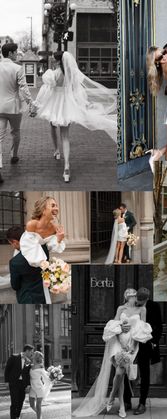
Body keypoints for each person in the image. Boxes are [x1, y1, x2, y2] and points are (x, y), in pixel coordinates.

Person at [34, 51, 117, 182]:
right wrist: (84, 103)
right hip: (67, 103)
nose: (53, 61)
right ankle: (66, 167)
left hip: (55, 103)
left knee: (52, 124)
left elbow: (47, 90)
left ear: (58, 61)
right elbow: (78, 91)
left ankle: (56, 151)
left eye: (55, 59)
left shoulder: (53, 74)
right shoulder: (72, 74)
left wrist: (38, 103)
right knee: (65, 136)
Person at [72, 289, 152, 418]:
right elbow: (112, 326)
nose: (132, 298)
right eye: (130, 296)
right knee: (120, 372)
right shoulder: (121, 308)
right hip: (118, 343)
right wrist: (120, 329)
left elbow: (141, 331)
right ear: (126, 297)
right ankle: (113, 400)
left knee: (121, 374)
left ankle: (117, 402)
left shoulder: (142, 310)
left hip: (131, 345)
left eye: (134, 295)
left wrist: (133, 347)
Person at [0, 43, 36, 183]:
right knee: (16, 132)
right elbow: (24, 88)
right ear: (10, 53)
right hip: (14, 107)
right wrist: (31, 103)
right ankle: (14, 155)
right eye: (15, 52)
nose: (17, 54)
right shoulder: (17, 68)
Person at [124, 287, 163, 415]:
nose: (138, 302)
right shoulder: (131, 304)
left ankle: (142, 403)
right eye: (137, 299)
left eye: (141, 300)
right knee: (126, 372)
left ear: (147, 298)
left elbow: (159, 326)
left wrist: (153, 342)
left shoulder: (154, 306)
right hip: (130, 344)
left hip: (145, 344)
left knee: (144, 374)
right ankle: (127, 401)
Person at [19, 196, 66, 303]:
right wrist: (44, 265)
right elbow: (28, 246)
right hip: (28, 259)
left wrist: (59, 239)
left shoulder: (54, 227)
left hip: (43, 262)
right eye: (52, 205)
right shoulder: (32, 224)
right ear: (43, 210)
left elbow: (52, 247)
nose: (56, 208)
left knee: (45, 289)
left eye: (56, 205)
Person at [7, 226, 47, 304]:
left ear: (15, 242)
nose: (12, 247)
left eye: (11, 244)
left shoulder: (15, 262)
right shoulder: (42, 249)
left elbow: (15, 286)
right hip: (43, 295)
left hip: (27, 298)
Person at [4, 344, 34, 419]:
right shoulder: (14, 357)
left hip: (22, 384)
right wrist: (6, 381)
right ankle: (13, 417)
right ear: (27, 351)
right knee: (14, 402)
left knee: (21, 401)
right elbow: (7, 369)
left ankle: (17, 416)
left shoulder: (29, 361)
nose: (31, 354)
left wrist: (28, 385)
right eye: (31, 352)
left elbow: (27, 375)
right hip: (14, 383)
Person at [29, 351, 52, 419]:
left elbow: (46, 377)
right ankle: (40, 415)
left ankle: (39, 417)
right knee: (31, 404)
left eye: (33, 355)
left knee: (38, 406)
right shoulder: (31, 366)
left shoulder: (41, 367)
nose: (32, 355)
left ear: (36, 357)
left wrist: (52, 378)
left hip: (39, 387)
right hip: (32, 387)